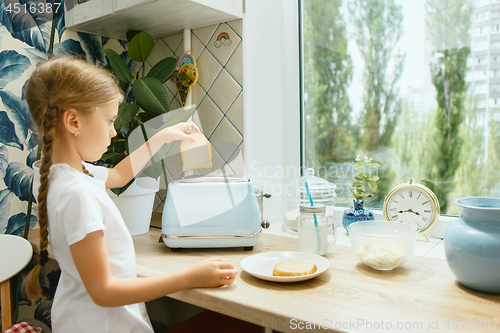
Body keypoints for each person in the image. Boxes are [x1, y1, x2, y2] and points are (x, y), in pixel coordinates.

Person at [24, 56, 238, 332]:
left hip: (76, 318)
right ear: (73, 122)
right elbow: (104, 291)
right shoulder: (77, 193)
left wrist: (160, 137)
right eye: (110, 120)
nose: (114, 131)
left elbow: (117, 176)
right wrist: (189, 277)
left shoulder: (52, 174)